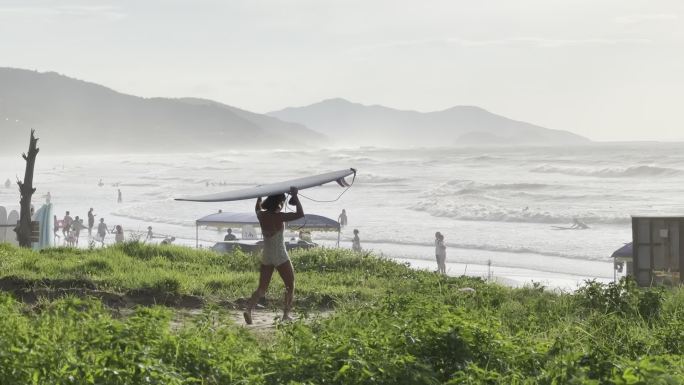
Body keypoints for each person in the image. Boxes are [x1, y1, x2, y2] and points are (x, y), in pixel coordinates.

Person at [244, 187, 304, 325]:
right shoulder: (280, 216)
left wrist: (258, 196)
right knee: (290, 285)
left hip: (267, 255)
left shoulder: (262, 215)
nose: (283, 203)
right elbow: (300, 213)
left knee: (262, 288)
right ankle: (286, 315)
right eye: (282, 201)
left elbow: (257, 208)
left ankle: (249, 309)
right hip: (280, 255)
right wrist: (295, 196)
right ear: (278, 202)